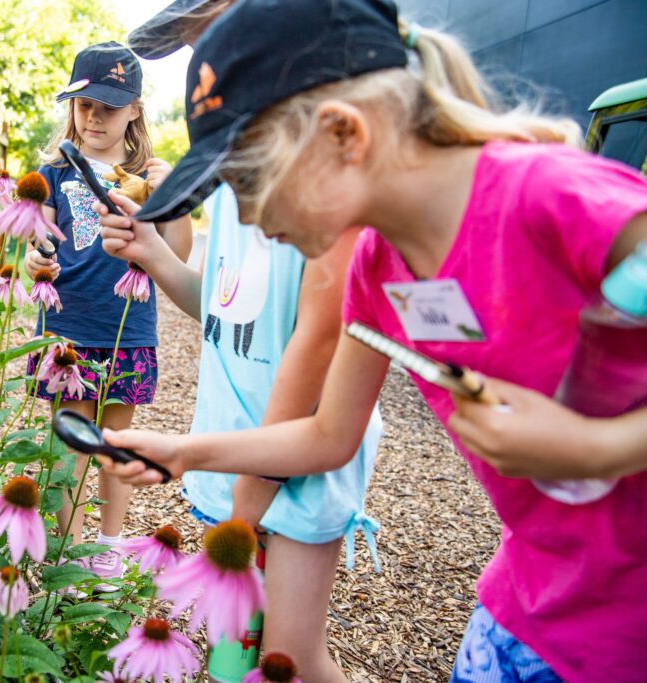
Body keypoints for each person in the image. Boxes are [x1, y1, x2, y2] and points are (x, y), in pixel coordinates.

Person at [95, 1, 647, 681]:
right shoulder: (377, 267)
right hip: (530, 604)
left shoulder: (551, 197)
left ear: (342, 135)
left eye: (247, 183)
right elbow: (329, 434)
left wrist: (594, 446)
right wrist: (184, 451)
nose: (243, 216)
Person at [98, 3, 382, 681]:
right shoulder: (231, 183)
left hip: (295, 460)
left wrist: (249, 503)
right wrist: (156, 255)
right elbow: (228, 313)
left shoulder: (318, 184)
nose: (205, 70)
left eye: (213, 43)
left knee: (289, 652)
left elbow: (315, 345)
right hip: (229, 453)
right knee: (232, 646)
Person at [24, 41, 192, 590]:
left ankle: (110, 547)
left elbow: (179, 253)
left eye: (108, 107)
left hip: (128, 325)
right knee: (72, 446)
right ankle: (69, 552)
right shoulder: (53, 172)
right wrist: (34, 258)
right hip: (70, 325)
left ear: (135, 110)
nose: (94, 117)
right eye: (84, 105)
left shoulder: (148, 177)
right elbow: (41, 243)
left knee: (116, 446)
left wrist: (175, 199)